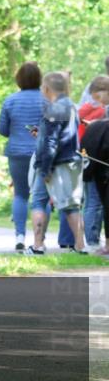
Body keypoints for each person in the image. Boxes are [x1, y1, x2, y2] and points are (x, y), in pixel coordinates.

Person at [30, 71, 86, 253]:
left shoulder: (55, 109)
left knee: (39, 201)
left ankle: (38, 245)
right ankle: (80, 246)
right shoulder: (71, 106)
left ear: (46, 88)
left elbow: (51, 142)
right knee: (72, 205)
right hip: (70, 161)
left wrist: (45, 169)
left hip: (53, 164)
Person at [0, 61, 45, 252]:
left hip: (17, 152)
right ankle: (39, 240)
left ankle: (19, 236)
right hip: (41, 152)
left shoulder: (10, 100)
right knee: (40, 196)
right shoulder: (47, 100)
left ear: (19, 79)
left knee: (20, 194)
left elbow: (2, 129)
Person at [79, 76, 109, 251]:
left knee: (92, 201)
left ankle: (92, 241)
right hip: (98, 157)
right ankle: (92, 240)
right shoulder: (100, 111)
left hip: (89, 156)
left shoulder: (84, 109)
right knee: (95, 202)